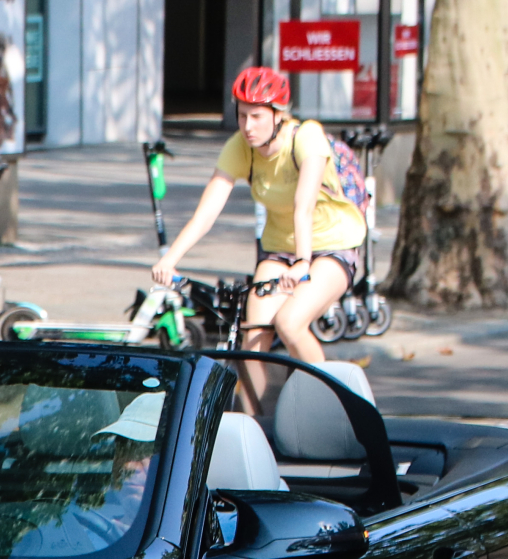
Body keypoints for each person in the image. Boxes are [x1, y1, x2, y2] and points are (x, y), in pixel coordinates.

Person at [149, 67, 364, 409]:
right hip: (281, 250)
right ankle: (254, 425)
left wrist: (304, 263)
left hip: (332, 245)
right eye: (242, 115)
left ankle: (336, 411)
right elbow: (207, 212)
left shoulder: (306, 138)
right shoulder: (241, 147)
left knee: (290, 323)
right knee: (253, 335)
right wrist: (170, 259)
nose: (248, 126)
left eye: (257, 116)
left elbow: (303, 205)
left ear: (279, 115)